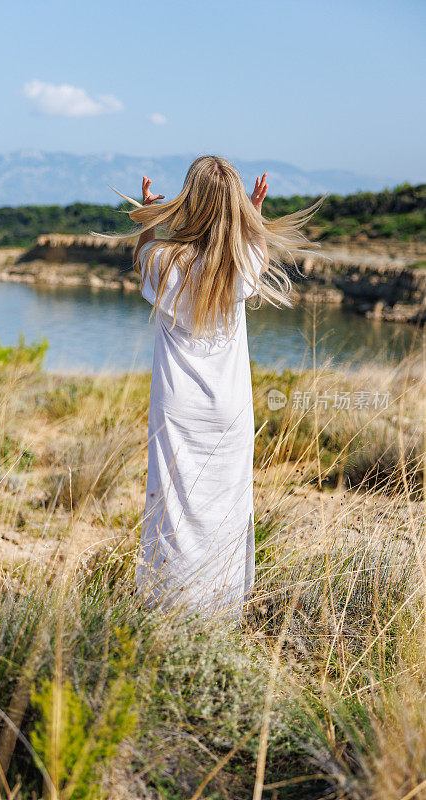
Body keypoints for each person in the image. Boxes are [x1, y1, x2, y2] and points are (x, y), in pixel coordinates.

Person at [108, 156, 322, 621]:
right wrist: (256, 218)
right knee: (227, 503)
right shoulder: (239, 261)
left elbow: (142, 257)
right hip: (230, 410)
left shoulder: (164, 261)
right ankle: (221, 607)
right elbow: (258, 255)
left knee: (173, 504)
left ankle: (169, 604)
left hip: (177, 407)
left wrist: (146, 216)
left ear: (191, 201)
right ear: (233, 206)